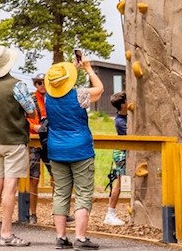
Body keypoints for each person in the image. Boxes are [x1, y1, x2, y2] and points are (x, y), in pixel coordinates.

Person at [42, 55, 104, 250]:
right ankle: (81, 238)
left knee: (61, 193)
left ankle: (61, 238)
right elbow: (100, 89)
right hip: (80, 149)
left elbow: (62, 89)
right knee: (84, 193)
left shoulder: (47, 97)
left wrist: (73, 70)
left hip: (56, 148)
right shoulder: (80, 95)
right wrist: (88, 68)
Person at [0, 44, 34, 247]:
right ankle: (7, 234)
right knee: (10, 188)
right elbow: (29, 110)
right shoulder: (17, 85)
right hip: (15, 141)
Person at [26, 74, 49, 223]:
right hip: (34, 141)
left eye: (44, 82)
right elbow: (23, 119)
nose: (42, 85)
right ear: (35, 85)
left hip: (49, 141)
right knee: (33, 179)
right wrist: (36, 127)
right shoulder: (29, 100)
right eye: (39, 83)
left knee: (58, 176)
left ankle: (60, 213)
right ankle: (32, 213)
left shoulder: (53, 99)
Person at [103, 92, 129, 226]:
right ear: (123, 104)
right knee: (119, 184)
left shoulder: (125, 117)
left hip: (125, 152)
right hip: (121, 153)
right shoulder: (120, 121)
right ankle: (110, 213)